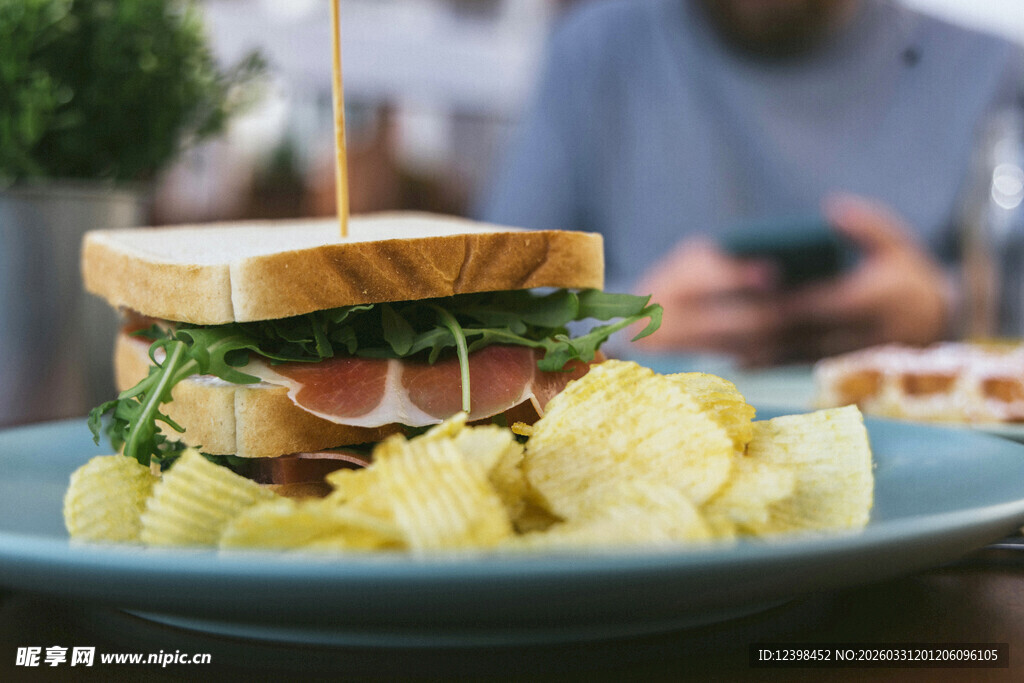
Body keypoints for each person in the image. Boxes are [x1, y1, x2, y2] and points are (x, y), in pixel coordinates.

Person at [477, 0, 1024, 365]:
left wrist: (949, 311)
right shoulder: (592, 53)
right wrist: (622, 329)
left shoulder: (995, 71)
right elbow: (488, 304)